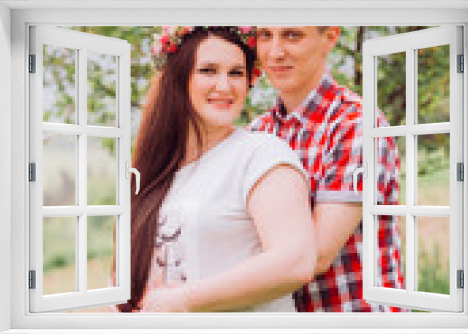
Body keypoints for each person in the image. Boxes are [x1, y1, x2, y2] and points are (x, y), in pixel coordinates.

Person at [113, 26, 316, 313]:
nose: (225, 86)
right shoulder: (158, 171)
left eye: (236, 73)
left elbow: (296, 260)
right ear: (179, 79)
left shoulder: (261, 154)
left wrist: (182, 301)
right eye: (208, 70)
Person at [249, 26, 407, 312]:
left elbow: (314, 257)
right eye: (264, 36)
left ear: (330, 38)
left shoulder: (356, 125)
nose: (275, 52)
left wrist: (189, 298)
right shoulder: (257, 133)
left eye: (292, 35)